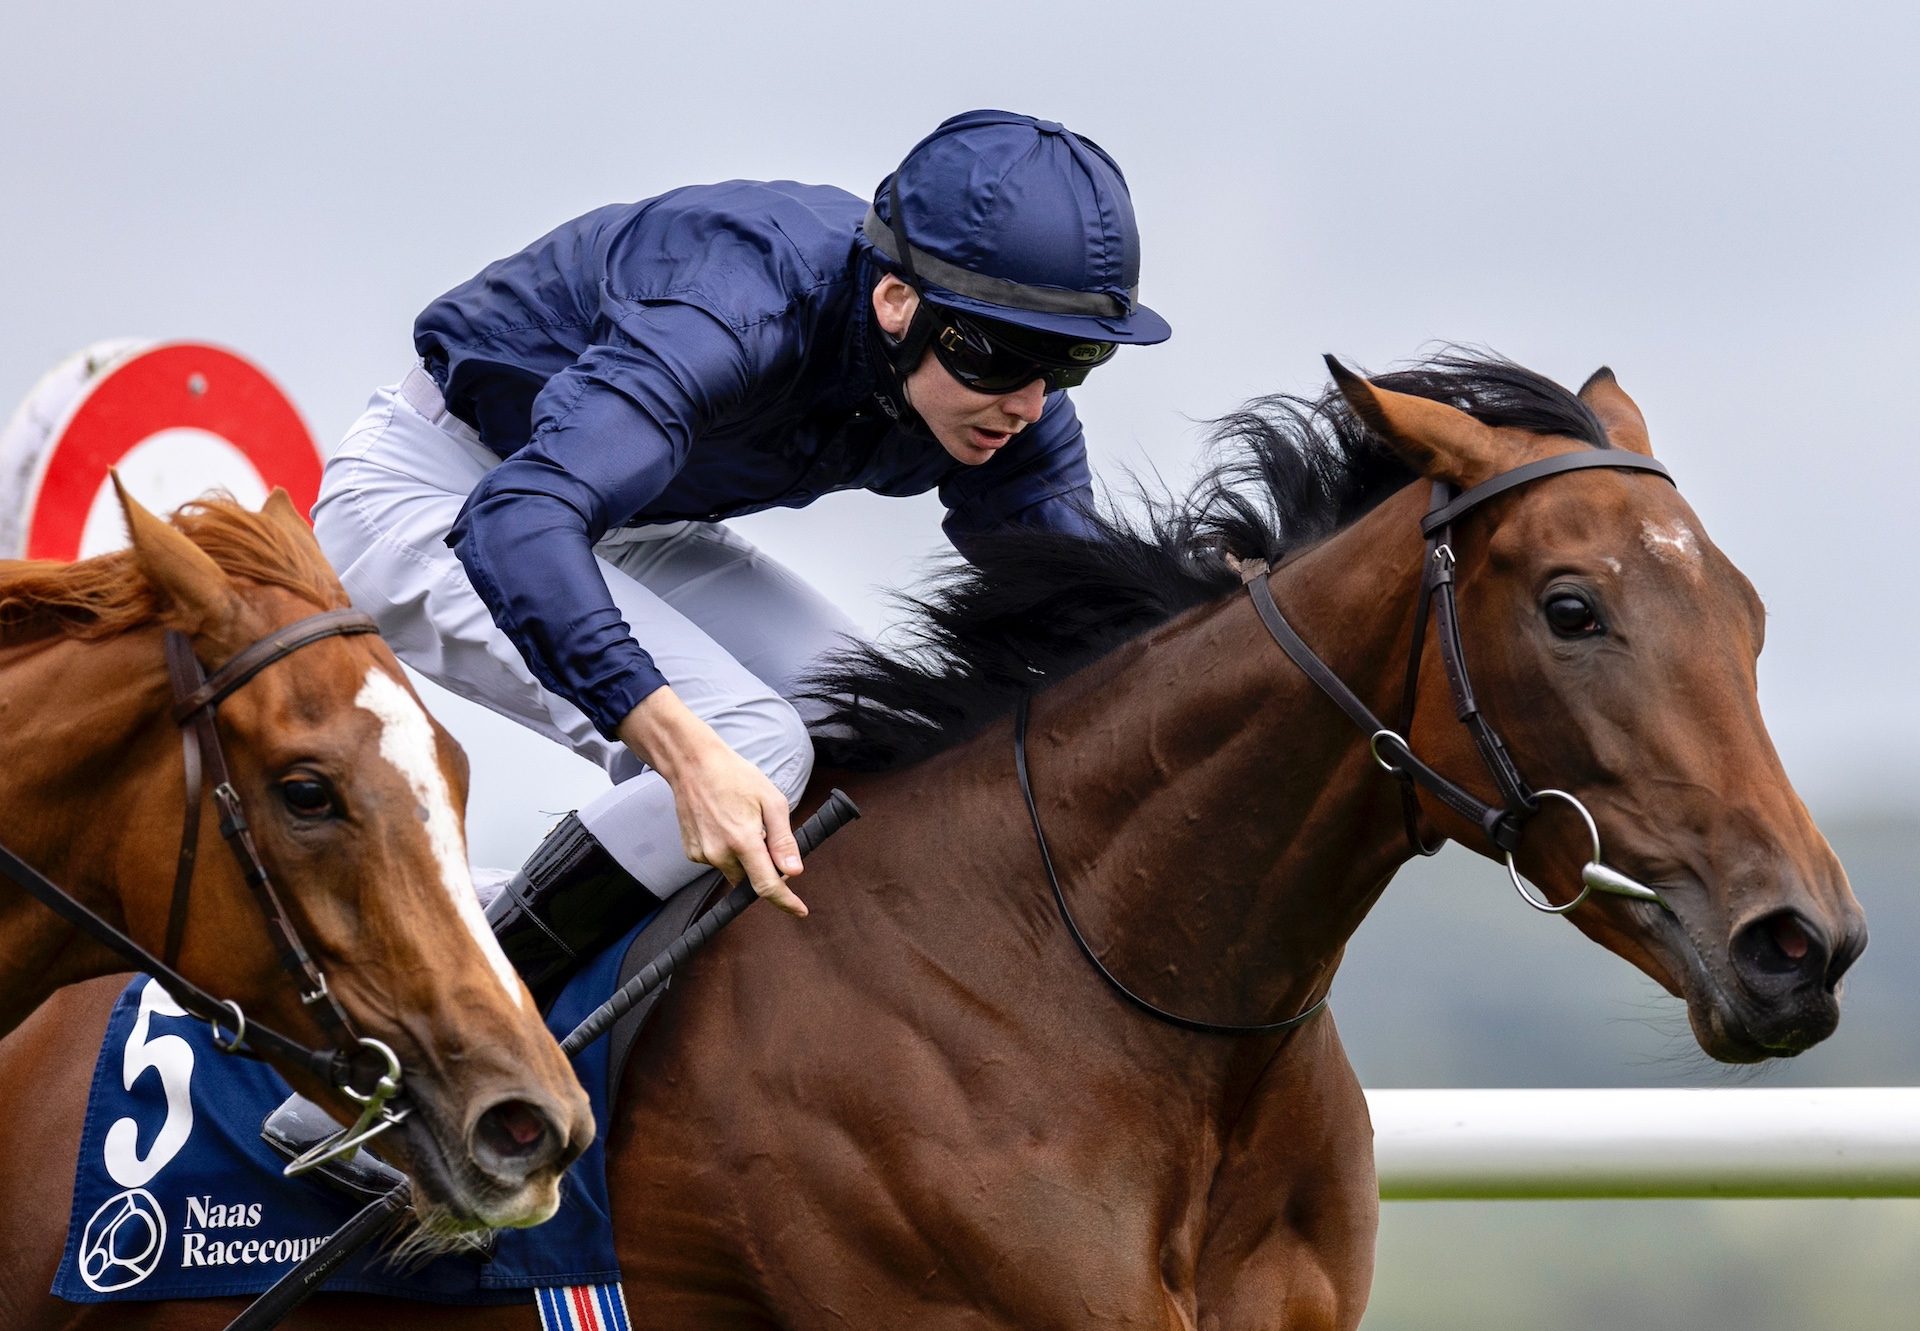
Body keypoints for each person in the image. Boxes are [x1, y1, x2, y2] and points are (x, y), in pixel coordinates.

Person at [310, 109, 1171, 1002]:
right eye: (1000, 356)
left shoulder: (1002, 397)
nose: (1030, 404)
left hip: (630, 514)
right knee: (750, 742)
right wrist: (684, 758)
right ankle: (425, 1036)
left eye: (1070, 364)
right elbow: (519, 520)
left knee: (868, 721)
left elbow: (1089, 611)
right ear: (896, 301)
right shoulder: (739, 298)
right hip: (440, 489)